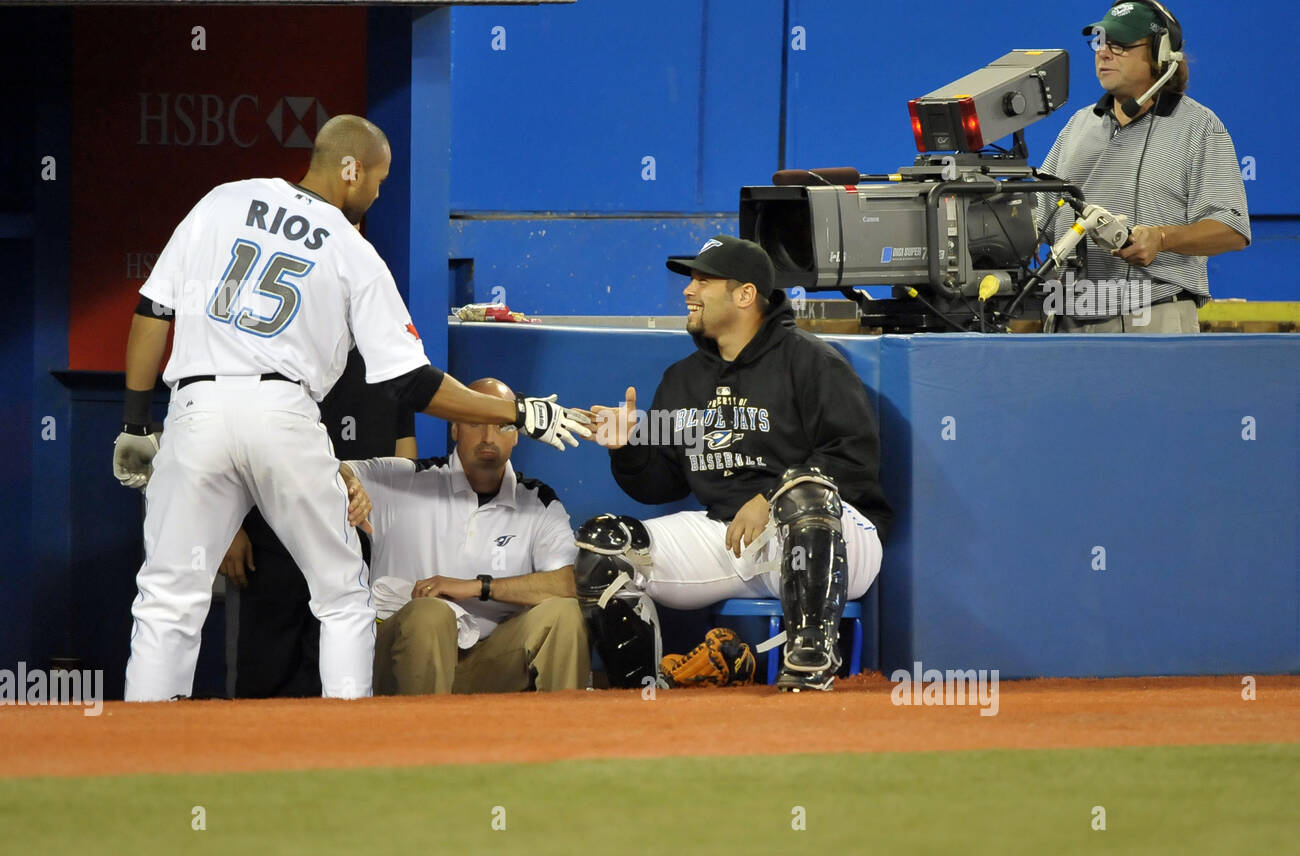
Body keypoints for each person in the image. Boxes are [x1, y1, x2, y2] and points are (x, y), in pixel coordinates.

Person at [111, 114, 589, 702]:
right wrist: (516, 414)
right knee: (340, 593)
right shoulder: (351, 249)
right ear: (351, 168)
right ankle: (349, 744)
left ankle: (143, 754)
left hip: (195, 405)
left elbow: (153, 313)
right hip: (280, 409)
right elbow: (413, 384)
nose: (378, 193)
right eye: (379, 181)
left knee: (167, 596)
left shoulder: (223, 200)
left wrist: (136, 421)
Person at [579, 236, 892, 692]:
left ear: (745, 295)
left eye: (704, 280)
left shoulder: (812, 362)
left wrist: (772, 499)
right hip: (731, 537)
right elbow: (659, 486)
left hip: (835, 540)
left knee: (804, 493)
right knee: (606, 546)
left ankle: (808, 669)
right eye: (690, 279)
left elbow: (855, 458)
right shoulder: (683, 380)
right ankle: (641, 692)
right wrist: (626, 448)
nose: (689, 290)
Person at [345, 378, 587, 695]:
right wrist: (349, 484)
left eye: (502, 425)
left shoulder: (538, 501)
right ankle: (417, 740)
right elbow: (328, 469)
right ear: (455, 429)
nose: (488, 437)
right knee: (431, 612)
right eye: (475, 422)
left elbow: (568, 583)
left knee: (564, 613)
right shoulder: (405, 481)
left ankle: (566, 739)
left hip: (489, 661)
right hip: (401, 662)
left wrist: (477, 587)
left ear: (517, 434)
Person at [1037, 0, 1250, 332]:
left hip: (1152, 317)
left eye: (1119, 45)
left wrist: (1161, 238)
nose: (1103, 52)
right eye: (1099, 41)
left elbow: (1232, 230)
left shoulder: (1199, 126)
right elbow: (1038, 220)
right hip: (1066, 321)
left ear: (1160, 53)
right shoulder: (1078, 126)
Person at [220, 346, 418, 698]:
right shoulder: (275, 354)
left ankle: (331, 750)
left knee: (332, 666)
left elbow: (404, 463)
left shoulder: (388, 365)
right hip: (266, 544)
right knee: (261, 675)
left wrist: (387, 527)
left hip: (352, 543)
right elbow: (230, 443)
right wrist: (228, 528)